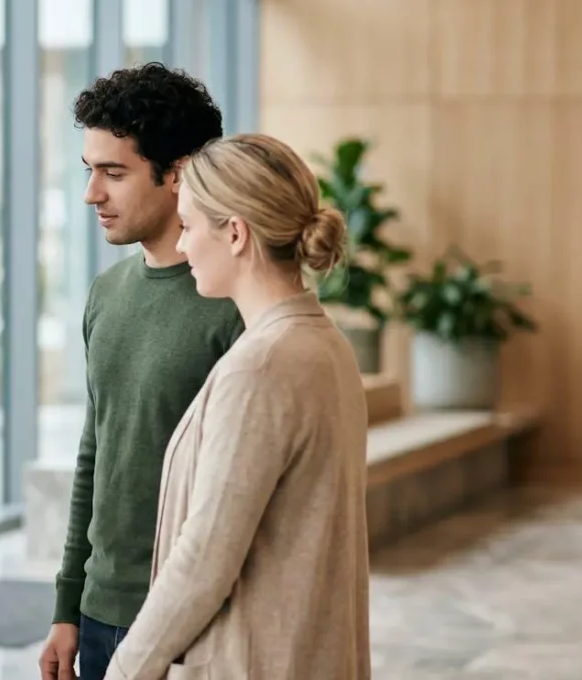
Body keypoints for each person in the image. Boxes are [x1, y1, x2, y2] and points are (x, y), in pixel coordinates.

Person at [101, 133, 371, 680]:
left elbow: (205, 558)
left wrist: (127, 668)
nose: (181, 247)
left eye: (190, 227)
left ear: (235, 233)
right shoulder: (325, 345)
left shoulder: (261, 367)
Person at [39, 63, 244, 680]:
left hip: (194, 620)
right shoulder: (107, 292)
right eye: (88, 171)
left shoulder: (235, 302)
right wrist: (68, 605)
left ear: (177, 173)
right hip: (103, 613)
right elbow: (95, 452)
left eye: (114, 172)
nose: (91, 193)